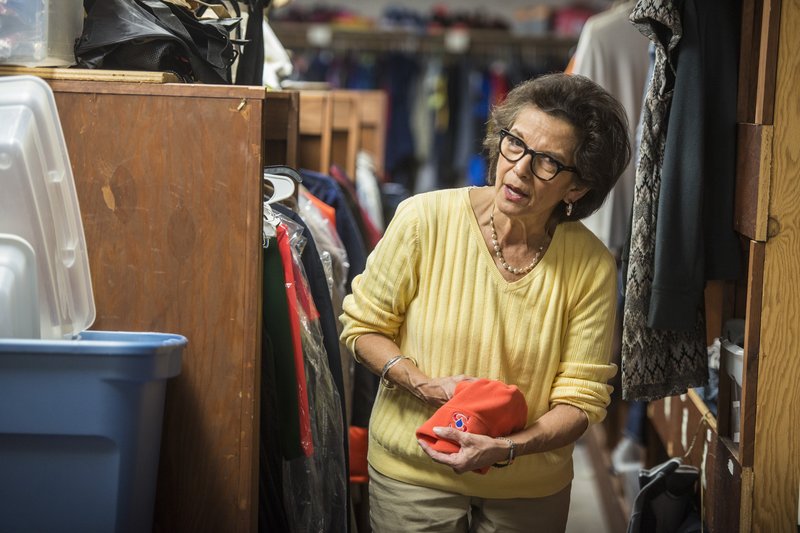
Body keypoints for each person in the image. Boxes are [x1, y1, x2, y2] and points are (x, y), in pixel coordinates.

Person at [339, 72, 631, 533]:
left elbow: (581, 399)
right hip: (415, 470)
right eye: (514, 144)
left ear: (577, 189)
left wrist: (507, 449)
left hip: (529, 485)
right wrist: (427, 386)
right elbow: (362, 327)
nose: (518, 169)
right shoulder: (423, 219)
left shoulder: (590, 265)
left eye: (548, 162)